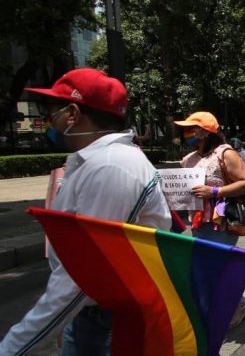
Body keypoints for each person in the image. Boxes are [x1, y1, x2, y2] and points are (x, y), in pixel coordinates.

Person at [0, 68, 172, 355]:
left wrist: (12, 348)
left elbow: (82, 275)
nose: (47, 119)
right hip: (93, 315)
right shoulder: (102, 162)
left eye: (50, 109)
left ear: (72, 114)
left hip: (108, 322)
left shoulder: (112, 167)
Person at [174, 112, 245, 327]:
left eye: (191, 128)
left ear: (205, 131)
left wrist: (215, 190)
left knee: (217, 266)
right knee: (204, 268)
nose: (186, 133)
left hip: (222, 219)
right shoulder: (189, 159)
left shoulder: (225, 153)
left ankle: (238, 305)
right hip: (198, 221)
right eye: (185, 128)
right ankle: (228, 305)